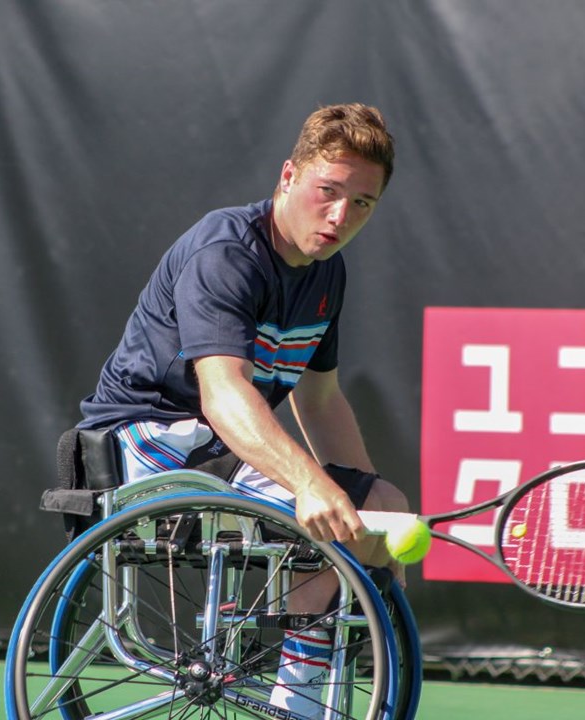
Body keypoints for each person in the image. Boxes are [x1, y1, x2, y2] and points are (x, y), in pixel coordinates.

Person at [78, 102, 409, 717]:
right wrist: (312, 485)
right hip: (146, 443)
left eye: (361, 203)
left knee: (380, 507)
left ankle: (290, 687)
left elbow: (322, 399)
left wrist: (372, 518)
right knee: (329, 515)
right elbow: (223, 395)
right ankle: (297, 702)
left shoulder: (326, 274)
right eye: (327, 191)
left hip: (217, 450)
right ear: (289, 176)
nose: (340, 216)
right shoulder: (226, 252)